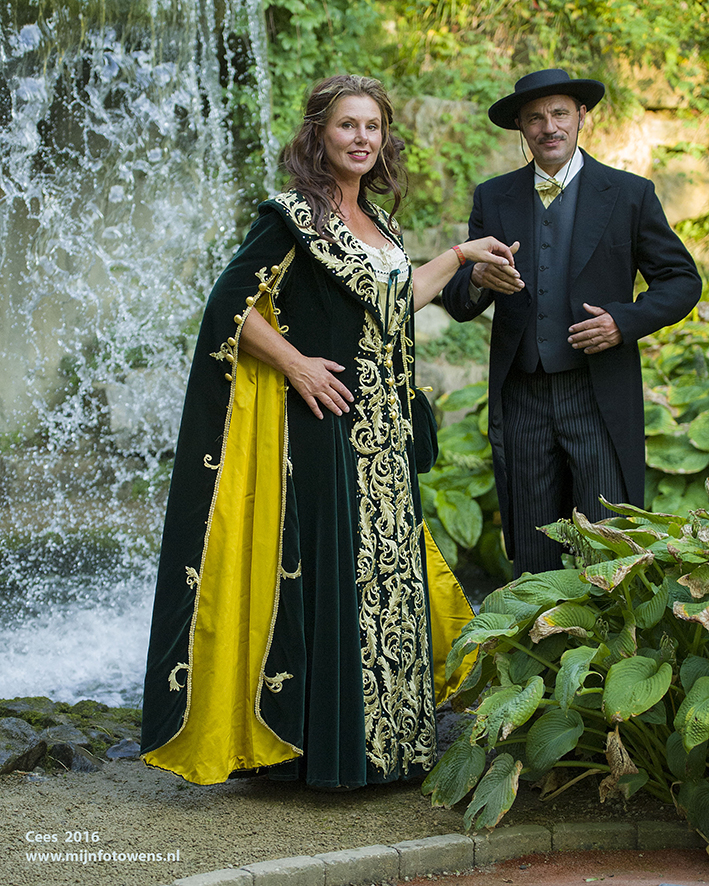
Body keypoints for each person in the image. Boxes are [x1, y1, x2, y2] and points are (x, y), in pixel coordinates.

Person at [140, 74, 516, 789]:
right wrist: (295, 365)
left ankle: (389, 751)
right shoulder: (291, 217)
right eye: (347, 125)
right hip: (325, 426)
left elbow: (397, 298)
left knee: (390, 586)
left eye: (372, 126)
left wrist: (462, 263)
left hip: (385, 434)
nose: (361, 138)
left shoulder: (381, 226)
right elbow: (227, 307)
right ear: (319, 133)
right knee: (335, 582)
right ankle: (325, 756)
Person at [442, 68, 702, 579]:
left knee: (609, 546)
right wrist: (478, 279)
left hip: (597, 393)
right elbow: (458, 298)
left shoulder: (629, 193)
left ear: (582, 116)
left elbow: (682, 280)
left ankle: (606, 634)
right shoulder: (493, 197)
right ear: (520, 126)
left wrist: (623, 321)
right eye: (535, 118)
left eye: (560, 113)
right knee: (533, 550)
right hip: (521, 396)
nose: (549, 127)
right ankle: (537, 632)